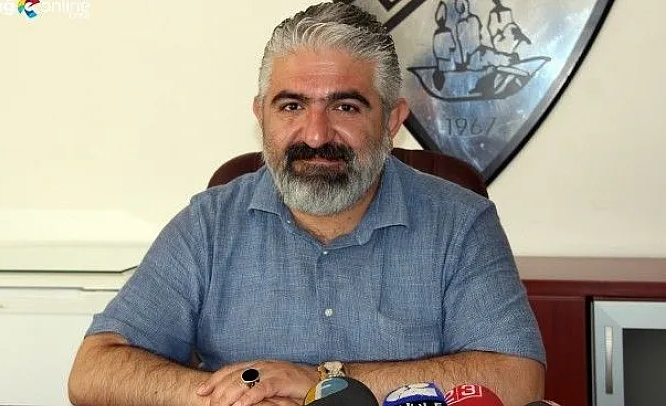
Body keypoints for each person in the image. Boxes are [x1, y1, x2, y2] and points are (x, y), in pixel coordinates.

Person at [68, 2, 546, 406]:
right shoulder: (209, 224)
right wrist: (237, 396)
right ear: (262, 116)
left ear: (391, 121)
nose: (316, 135)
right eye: (292, 106)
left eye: (345, 107)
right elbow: (94, 370)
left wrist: (322, 384)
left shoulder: (460, 222)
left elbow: (517, 377)